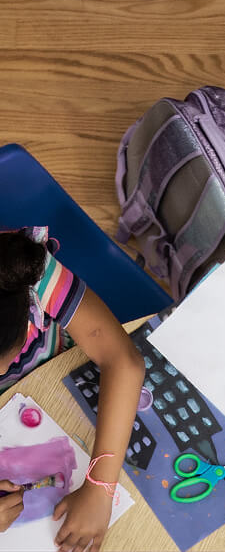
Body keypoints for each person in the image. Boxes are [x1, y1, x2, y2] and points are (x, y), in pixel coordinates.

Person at [0, 227, 145, 552]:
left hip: (60, 381)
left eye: (4, 361)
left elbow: (123, 361)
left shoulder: (22, 271)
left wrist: (100, 486)